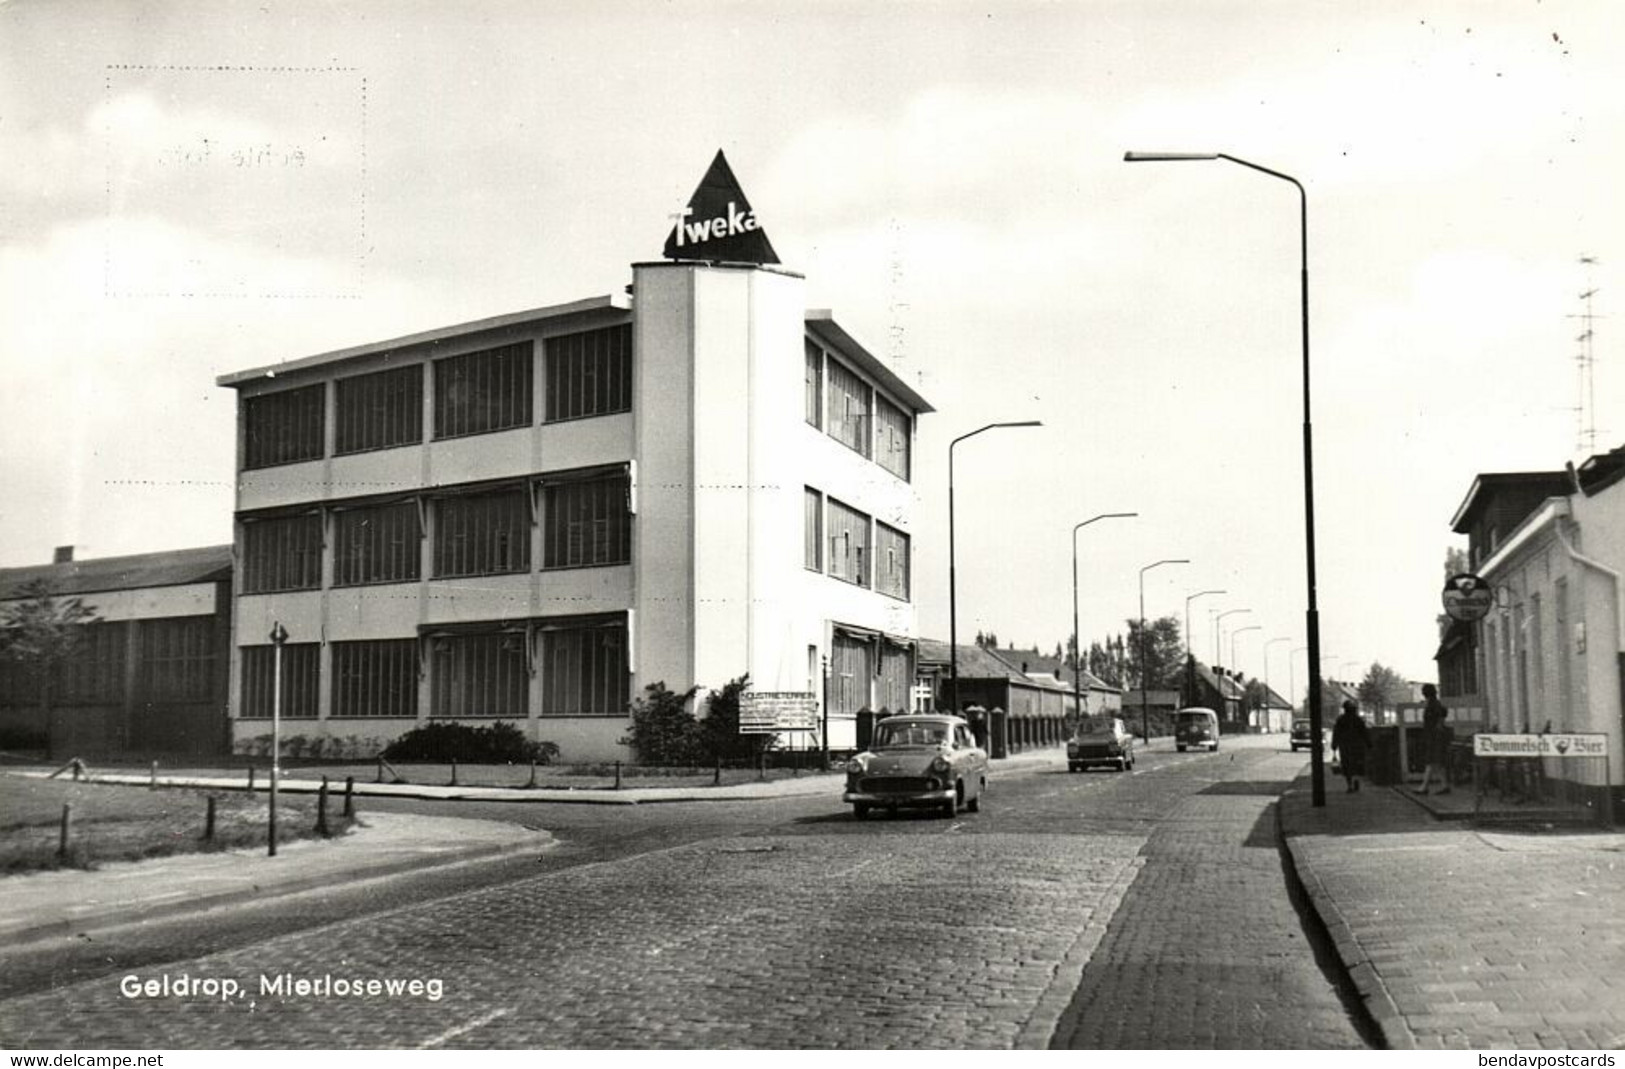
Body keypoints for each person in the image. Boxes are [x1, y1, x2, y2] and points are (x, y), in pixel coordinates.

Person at [1415, 683, 1452, 795]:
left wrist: (1437, 727)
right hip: (1435, 736)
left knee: (1430, 761)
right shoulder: (1435, 703)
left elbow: (1440, 716)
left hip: (1433, 737)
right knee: (1438, 762)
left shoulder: (1432, 705)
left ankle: (1424, 787)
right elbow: (1443, 713)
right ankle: (1444, 785)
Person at [1331, 698, 1370, 793]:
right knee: (1357, 764)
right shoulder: (1358, 720)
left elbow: (1336, 733)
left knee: (1347, 765)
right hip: (1357, 746)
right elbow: (1364, 732)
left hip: (1345, 746)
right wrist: (1369, 743)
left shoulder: (1341, 720)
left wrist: (1334, 744)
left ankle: (1350, 784)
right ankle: (1355, 780)